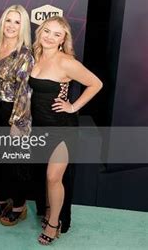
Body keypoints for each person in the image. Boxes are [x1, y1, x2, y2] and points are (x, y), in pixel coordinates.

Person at [29, 16, 102, 245]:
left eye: (57, 34)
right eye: (47, 31)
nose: (50, 37)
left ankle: (54, 223)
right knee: (44, 177)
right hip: (39, 127)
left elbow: (96, 84)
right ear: (40, 32)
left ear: (63, 40)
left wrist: (73, 106)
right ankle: (51, 212)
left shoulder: (66, 62)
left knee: (53, 177)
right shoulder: (36, 57)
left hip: (62, 128)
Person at [0, 5, 34, 226]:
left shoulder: (25, 54)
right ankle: (3, 200)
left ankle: (19, 206)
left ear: (23, 27)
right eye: (8, 21)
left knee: (15, 164)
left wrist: (16, 122)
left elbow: (24, 91)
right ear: (2, 23)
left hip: (14, 111)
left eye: (17, 22)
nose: (11, 26)